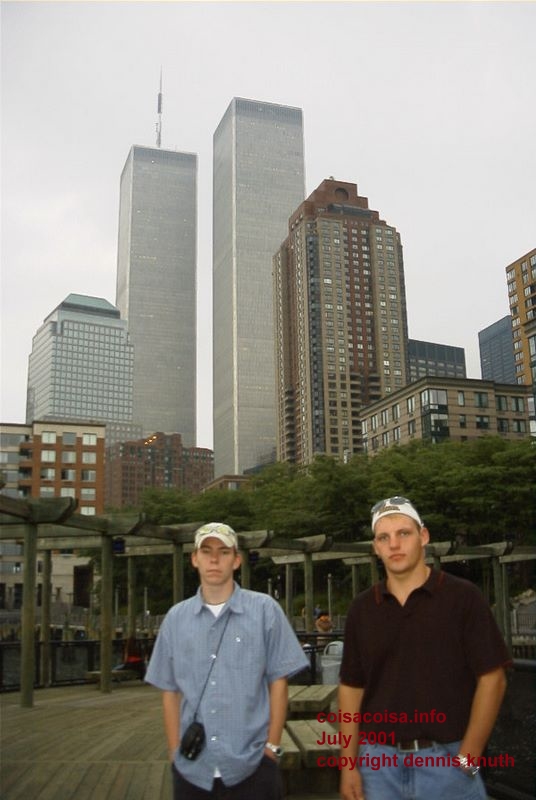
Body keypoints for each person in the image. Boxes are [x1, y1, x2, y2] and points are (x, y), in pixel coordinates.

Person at [338, 496, 511, 800]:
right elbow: (351, 688)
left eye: (403, 533)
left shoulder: (463, 598)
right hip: (378, 766)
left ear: (424, 536)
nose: (394, 544)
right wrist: (349, 763)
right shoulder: (362, 609)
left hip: (447, 762)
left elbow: (492, 678)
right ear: (376, 547)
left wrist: (470, 754)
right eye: (384, 537)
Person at [145, 522, 308, 799]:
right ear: (194, 559)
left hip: (253, 763)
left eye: (223, 551)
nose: (214, 559)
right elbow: (169, 690)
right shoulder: (175, 618)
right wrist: (175, 752)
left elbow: (278, 683)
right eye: (206, 551)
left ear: (236, 560)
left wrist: (272, 747)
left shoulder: (265, 610)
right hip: (193, 767)